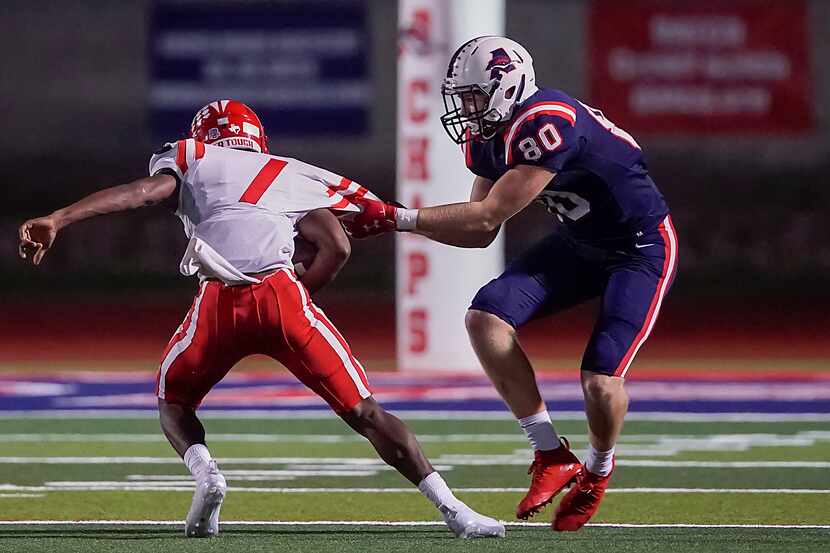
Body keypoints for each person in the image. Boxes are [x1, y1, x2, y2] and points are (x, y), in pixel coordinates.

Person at [17, 100, 505, 539]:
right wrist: (298, 297)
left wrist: (59, 218)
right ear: (257, 139)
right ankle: (456, 511)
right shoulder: (289, 171)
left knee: (174, 402)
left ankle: (208, 475)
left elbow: (142, 193)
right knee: (367, 413)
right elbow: (337, 246)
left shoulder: (193, 157)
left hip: (217, 302)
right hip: (281, 296)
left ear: (204, 137)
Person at [344, 36, 679, 531]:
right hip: (580, 246)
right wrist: (400, 222)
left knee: (600, 383)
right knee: (485, 317)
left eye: (475, 97)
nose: (467, 110)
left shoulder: (545, 123)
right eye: (463, 98)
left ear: (506, 87)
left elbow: (485, 218)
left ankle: (598, 471)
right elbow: (479, 235)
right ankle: (550, 454)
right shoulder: (488, 137)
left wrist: (397, 218)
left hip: (639, 248)